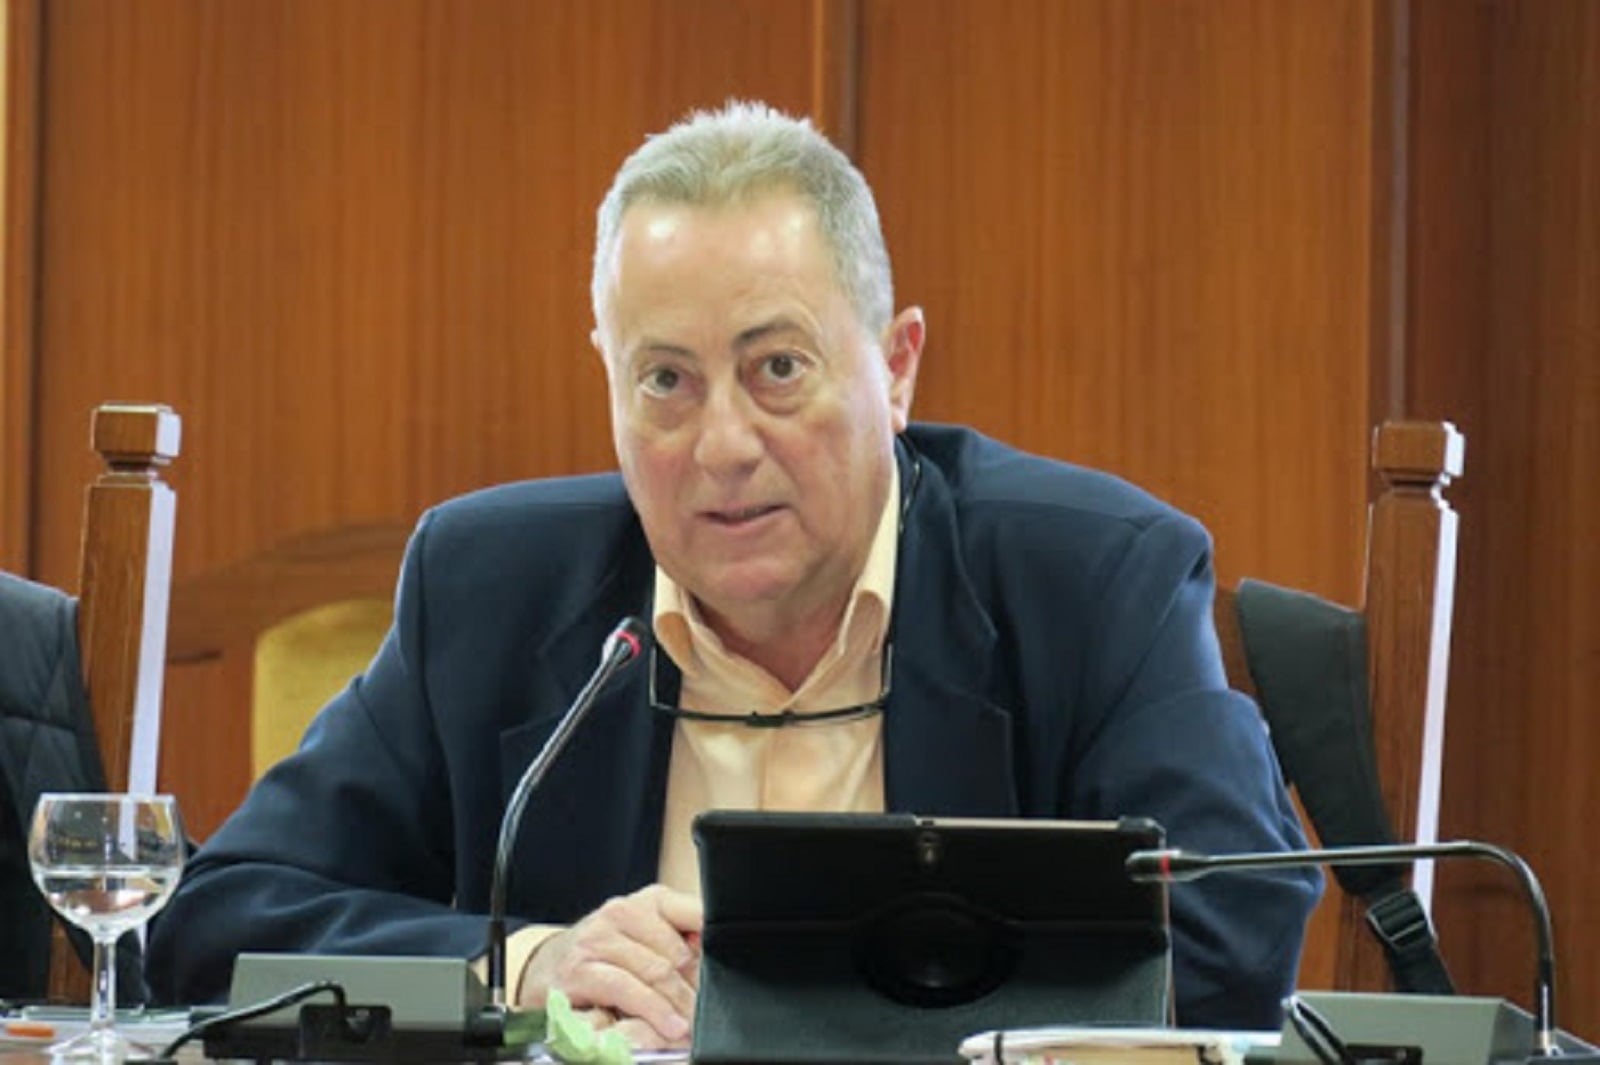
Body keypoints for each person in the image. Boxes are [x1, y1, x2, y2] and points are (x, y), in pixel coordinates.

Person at [146, 101, 1318, 1043]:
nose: (719, 446)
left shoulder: (1093, 576)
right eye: (664, 380)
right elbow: (220, 918)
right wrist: (527, 961)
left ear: (896, 367)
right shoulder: (489, 588)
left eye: (775, 368)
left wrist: (893, 1017)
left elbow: (1230, 927)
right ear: (606, 381)